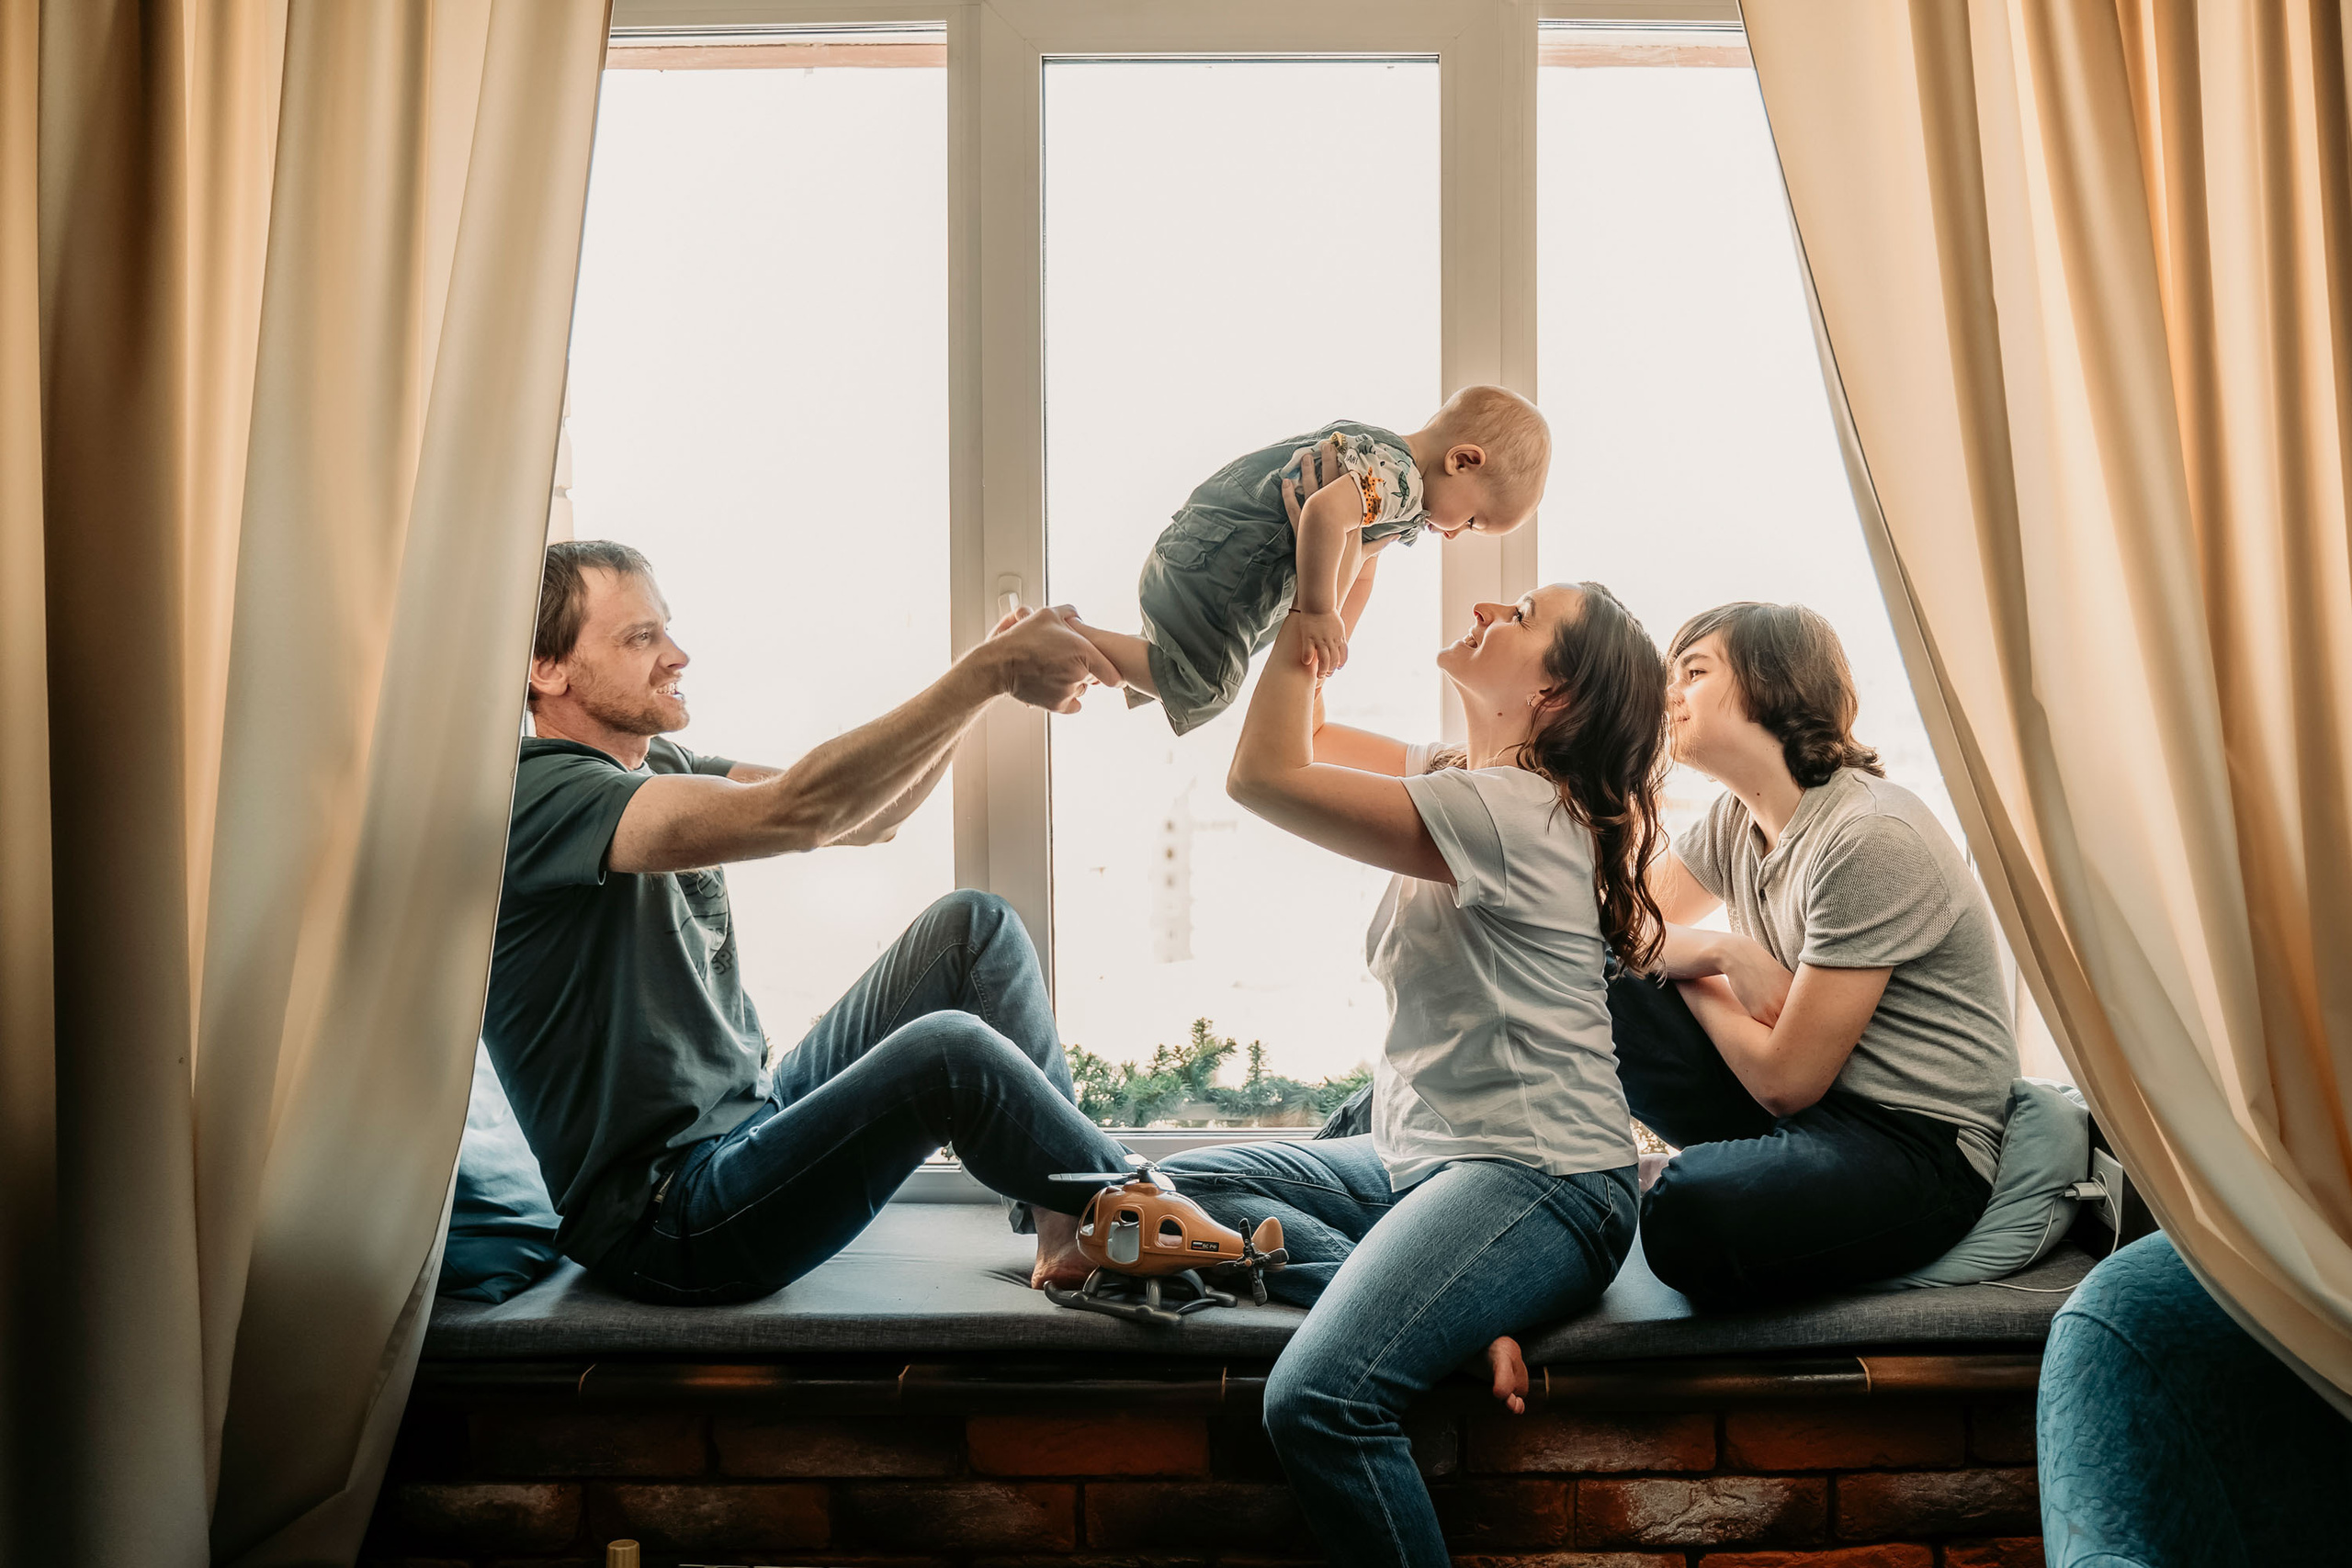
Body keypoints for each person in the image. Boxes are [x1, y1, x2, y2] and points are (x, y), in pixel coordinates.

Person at [1114, 536, 1669, 1566]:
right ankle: (1441, 1308)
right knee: (1181, 1189)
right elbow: (1310, 726)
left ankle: (1433, 1302)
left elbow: (1265, 773)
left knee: (1320, 1403)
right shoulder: (1463, 775)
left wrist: (1310, 608)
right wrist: (1341, 582)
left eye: (1524, 615)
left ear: (1556, 692)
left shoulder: (1512, 812)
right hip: (1426, 1168)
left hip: (1541, 1180)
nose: (1492, 610)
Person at [481, 539, 1138, 1303]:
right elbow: (801, 811)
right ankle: (1157, 1213)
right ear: (546, 669)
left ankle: (1072, 1226)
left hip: (753, 1119)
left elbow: (871, 818)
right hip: (665, 1217)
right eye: (641, 638)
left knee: (971, 928)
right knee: (946, 1053)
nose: (677, 654)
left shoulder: (659, 765)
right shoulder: (534, 796)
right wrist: (984, 674)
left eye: (667, 629)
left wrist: (987, 685)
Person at [1611, 601, 2019, 1303]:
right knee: (1603, 977)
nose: (1665, 693)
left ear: (1772, 684)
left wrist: (1696, 970)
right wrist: (1721, 950)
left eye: (1694, 670)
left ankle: (1736, 1181)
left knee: (1683, 1215)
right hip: (1811, 1111)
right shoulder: (1737, 820)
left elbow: (1785, 1079)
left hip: (1917, 1144)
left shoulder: (1869, 836)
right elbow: (1621, 926)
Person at [1073, 384, 1551, 733]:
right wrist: (1319, 612)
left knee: (1212, 660)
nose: (1453, 535)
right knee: (1206, 688)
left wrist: (1337, 629)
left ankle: (1088, 655)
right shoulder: (1399, 481)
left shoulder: (1386, 467)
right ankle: (1074, 640)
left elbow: (1364, 559)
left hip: (1203, 554)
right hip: (1221, 565)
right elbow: (1323, 514)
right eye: (1471, 521)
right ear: (1463, 461)